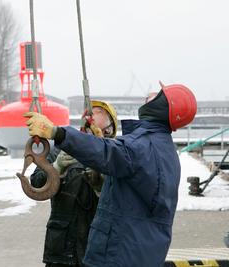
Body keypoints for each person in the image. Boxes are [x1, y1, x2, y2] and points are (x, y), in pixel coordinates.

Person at [25, 83, 197, 267]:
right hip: (68, 250)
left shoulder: (134, 148)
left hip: (117, 252)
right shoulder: (162, 149)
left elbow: (107, 153)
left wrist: (57, 133)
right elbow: (36, 185)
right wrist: (57, 167)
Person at [29, 101, 118, 267]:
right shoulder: (60, 151)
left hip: (96, 248)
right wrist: (56, 168)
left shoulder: (113, 155)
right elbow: (36, 184)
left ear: (110, 130)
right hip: (62, 248)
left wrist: (101, 184)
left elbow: (122, 198)